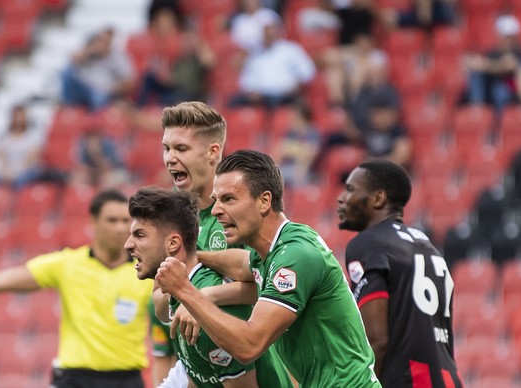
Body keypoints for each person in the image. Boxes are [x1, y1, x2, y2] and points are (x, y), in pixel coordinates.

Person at [156, 149, 381, 387]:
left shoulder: (295, 255)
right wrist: (193, 257)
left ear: (264, 201)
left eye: (229, 199)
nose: (215, 211)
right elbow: (242, 263)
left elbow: (249, 345)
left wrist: (187, 292)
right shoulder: (270, 251)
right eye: (216, 200)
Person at [0, 189, 154, 388]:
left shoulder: (146, 272)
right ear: (93, 222)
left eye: (125, 221)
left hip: (127, 379)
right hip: (75, 377)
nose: (119, 228)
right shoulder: (67, 264)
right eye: (112, 220)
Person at [125, 187, 293, 387]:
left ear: (173, 243)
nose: (128, 244)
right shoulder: (180, 296)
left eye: (140, 235)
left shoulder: (208, 310)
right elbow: (199, 377)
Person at [337, 160, 462, 387]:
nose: (341, 198)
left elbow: (376, 340)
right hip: (447, 378)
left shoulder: (368, 243)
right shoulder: (427, 245)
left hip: (409, 379)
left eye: (351, 189)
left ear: (378, 198)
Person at [228, 15, 316, 110]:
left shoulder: (291, 49)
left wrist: (297, 85)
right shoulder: (255, 54)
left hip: (284, 95)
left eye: (271, 31)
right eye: (265, 32)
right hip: (261, 97)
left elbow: (308, 71)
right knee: (232, 103)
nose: (268, 34)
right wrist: (251, 92)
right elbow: (246, 80)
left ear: (277, 31)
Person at [61, 27, 136, 111]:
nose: (103, 44)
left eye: (106, 41)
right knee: (66, 72)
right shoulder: (90, 50)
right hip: (83, 87)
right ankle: (68, 109)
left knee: (99, 97)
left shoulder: (118, 56)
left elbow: (130, 80)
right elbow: (72, 60)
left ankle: (93, 119)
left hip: (104, 92)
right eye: (101, 40)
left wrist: (113, 88)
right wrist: (91, 51)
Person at [464, 14, 521, 112]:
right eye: (504, 36)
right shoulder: (493, 53)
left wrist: (486, 65)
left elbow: (507, 65)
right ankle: (477, 109)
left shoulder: (518, 52)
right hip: (490, 84)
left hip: (510, 87)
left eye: (509, 36)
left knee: (500, 91)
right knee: (476, 75)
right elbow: (475, 63)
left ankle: (499, 123)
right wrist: (483, 65)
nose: (506, 40)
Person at [71, 124, 130, 188]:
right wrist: (92, 174)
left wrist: (95, 154)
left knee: (106, 180)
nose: (92, 138)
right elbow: (81, 167)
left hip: (114, 172)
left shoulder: (108, 144)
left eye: (95, 134)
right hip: (94, 173)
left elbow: (107, 168)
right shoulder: (84, 144)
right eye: (90, 135)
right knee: (77, 178)